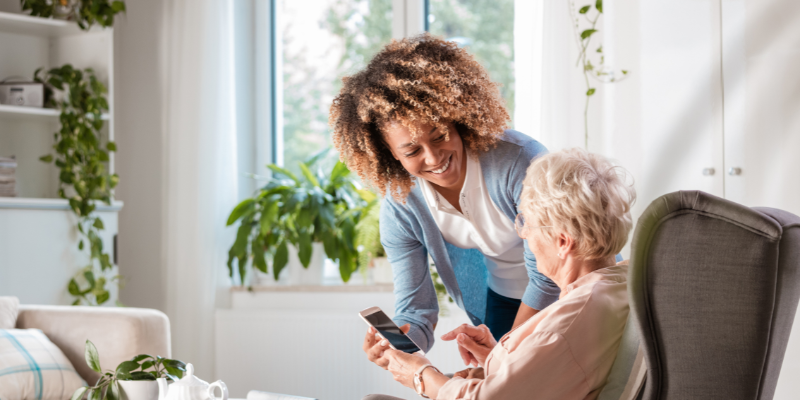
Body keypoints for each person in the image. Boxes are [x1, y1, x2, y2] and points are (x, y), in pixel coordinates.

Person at [330, 33, 558, 357]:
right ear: (390, 153)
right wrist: (400, 346)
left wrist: (504, 354)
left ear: (457, 118)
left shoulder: (518, 162)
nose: (434, 157)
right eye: (411, 150)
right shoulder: (402, 208)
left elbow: (549, 274)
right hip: (504, 304)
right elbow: (416, 311)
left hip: (567, 292)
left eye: (439, 135)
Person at [362, 148, 637, 399]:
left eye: (526, 222)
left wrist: (421, 374)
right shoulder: (625, 286)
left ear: (563, 242)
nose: (523, 233)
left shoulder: (563, 328)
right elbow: (552, 374)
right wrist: (498, 358)